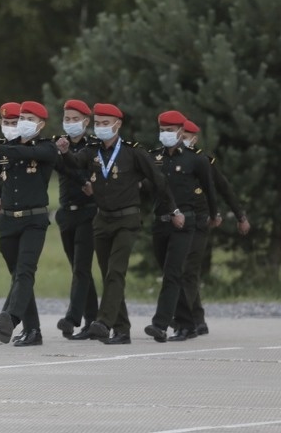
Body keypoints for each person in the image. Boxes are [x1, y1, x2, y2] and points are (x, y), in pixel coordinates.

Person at [57, 103, 180, 345]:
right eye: (98, 124)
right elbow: (73, 164)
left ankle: (103, 322)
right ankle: (122, 330)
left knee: (115, 271)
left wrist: (173, 209)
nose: (101, 128)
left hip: (127, 219)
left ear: (118, 124)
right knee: (109, 275)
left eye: (106, 123)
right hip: (102, 220)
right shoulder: (92, 151)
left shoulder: (133, 152)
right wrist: (64, 152)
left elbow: (159, 181)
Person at [0, 101, 58, 347]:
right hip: (8, 221)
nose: (22, 122)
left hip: (34, 220)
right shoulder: (4, 151)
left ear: (41, 125)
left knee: (25, 272)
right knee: (20, 277)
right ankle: (32, 331)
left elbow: (27, 154)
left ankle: (9, 319)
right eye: (21, 117)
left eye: (28, 119)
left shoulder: (46, 148)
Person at [172, 119, 251, 339]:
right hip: (177, 221)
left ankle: (186, 321)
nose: (180, 140)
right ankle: (197, 320)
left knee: (187, 271)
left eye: (184, 136)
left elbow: (224, 188)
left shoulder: (204, 160)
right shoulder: (168, 160)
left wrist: (240, 216)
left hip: (199, 221)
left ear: (193, 139)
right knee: (182, 271)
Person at [143, 111, 217, 343]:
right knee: (169, 274)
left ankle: (160, 324)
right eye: (162, 130)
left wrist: (214, 214)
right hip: (161, 223)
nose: (166, 134)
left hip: (186, 223)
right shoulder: (153, 158)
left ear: (182, 132)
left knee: (174, 273)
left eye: (171, 130)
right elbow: (146, 188)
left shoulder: (196, 160)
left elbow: (210, 189)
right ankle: (187, 325)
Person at [53, 99, 99, 340]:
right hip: (66, 213)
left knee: (81, 268)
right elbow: (61, 168)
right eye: (67, 119)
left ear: (86, 121)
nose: (70, 124)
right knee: (79, 269)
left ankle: (72, 319)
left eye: (75, 119)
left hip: (88, 212)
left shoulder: (93, 145)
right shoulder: (59, 144)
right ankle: (92, 319)